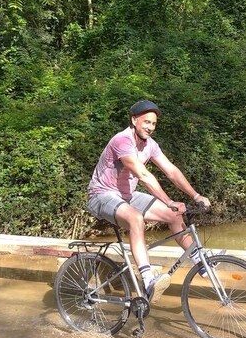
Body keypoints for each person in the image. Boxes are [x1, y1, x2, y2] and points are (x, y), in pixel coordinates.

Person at [87, 99, 211, 304]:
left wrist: (196, 196)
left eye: (153, 124)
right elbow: (143, 175)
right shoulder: (122, 141)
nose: (150, 127)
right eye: (146, 122)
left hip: (127, 195)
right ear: (134, 120)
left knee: (174, 215)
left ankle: (199, 260)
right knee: (136, 219)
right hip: (101, 195)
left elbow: (171, 171)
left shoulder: (149, 145)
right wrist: (169, 199)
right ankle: (147, 279)